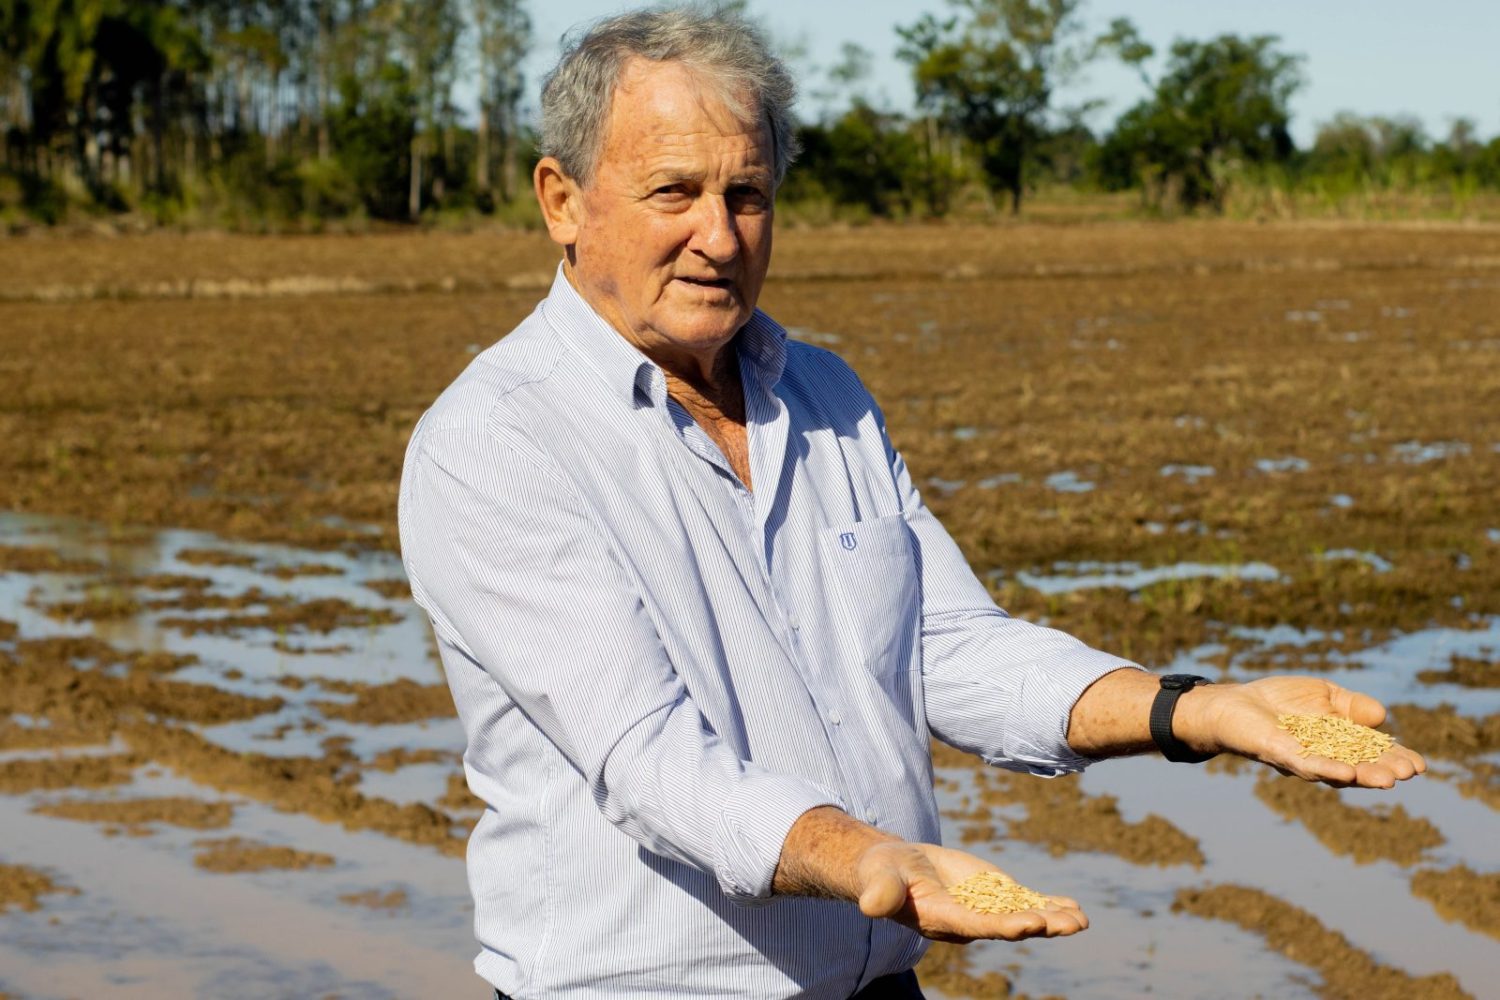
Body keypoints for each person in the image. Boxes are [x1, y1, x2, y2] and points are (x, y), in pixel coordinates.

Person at [397, 7, 1425, 998]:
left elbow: (944, 647)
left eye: (748, 193)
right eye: (675, 191)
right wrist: (867, 857)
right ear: (562, 199)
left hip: (879, 983)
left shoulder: (826, 396)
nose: (719, 235)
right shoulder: (496, 444)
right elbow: (649, 757)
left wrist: (1190, 709)